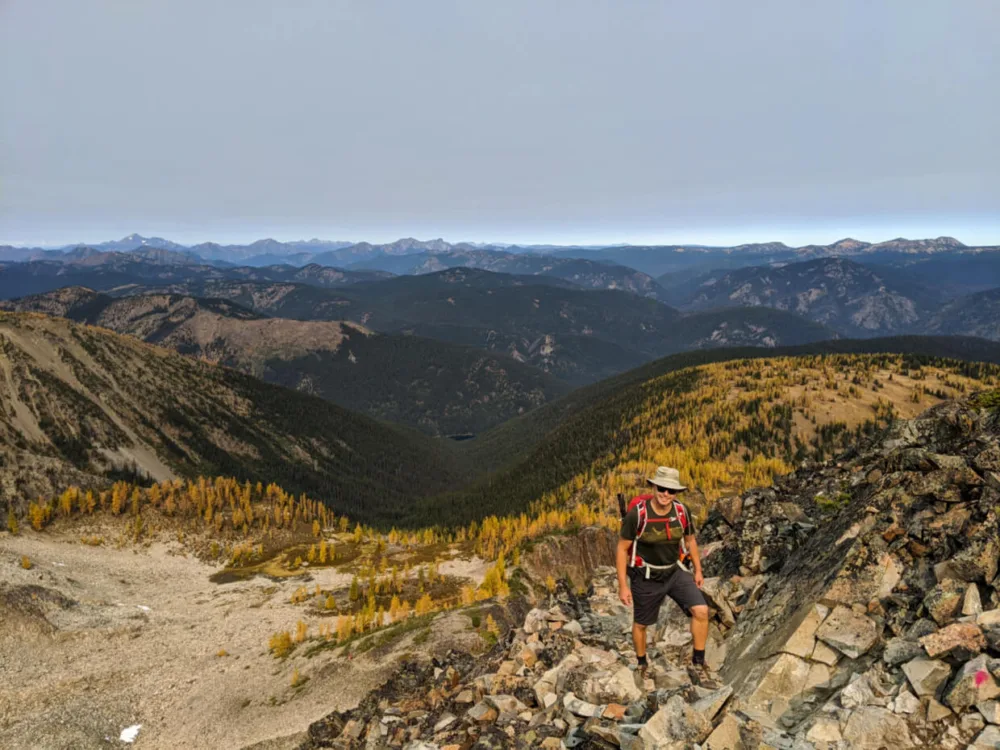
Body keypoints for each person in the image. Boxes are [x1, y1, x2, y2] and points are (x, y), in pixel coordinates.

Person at [616, 466, 719, 688]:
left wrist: (698, 570)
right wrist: (623, 585)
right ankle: (642, 664)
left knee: (701, 611)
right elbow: (622, 548)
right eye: (662, 489)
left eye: (671, 491)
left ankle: (698, 663)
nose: (665, 494)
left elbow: (690, 540)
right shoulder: (638, 514)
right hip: (646, 576)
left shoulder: (681, 512)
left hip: (674, 571)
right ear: (654, 487)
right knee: (642, 624)